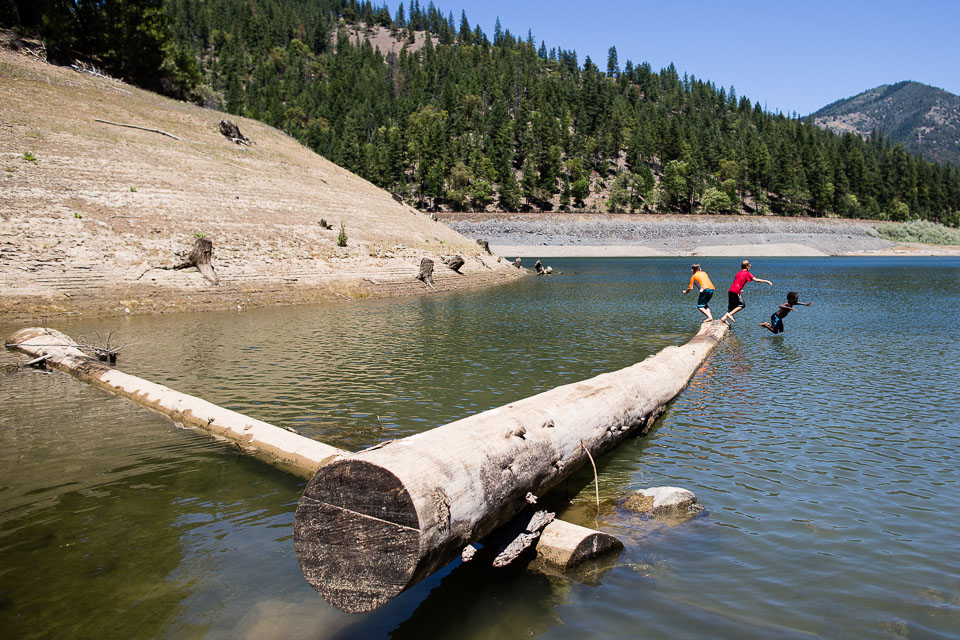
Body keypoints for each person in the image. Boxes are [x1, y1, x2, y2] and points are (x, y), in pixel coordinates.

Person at [720, 260, 772, 324]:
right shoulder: (747, 273)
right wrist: (767, 281)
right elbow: (756, 280)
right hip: (736, 291)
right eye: (750, 267)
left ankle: (724, 318)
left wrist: (740, 289)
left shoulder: (738, 273)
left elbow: (737, 282)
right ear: (748, 267)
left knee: (732, 307)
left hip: (731, 290)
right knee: (742, 305)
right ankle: (730, 314)